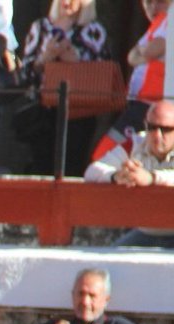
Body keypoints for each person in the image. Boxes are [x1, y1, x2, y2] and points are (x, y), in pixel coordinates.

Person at [14, 0, 109, 176]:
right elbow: (24, 74)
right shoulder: (41, 27)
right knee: (40, 166)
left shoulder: (94, 30)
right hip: (44, 110)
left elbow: (103, 74)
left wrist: (75, 62)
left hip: (79, 111)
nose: (67, 2)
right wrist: (45, 58)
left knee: (72, 166)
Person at [1, 268, 159, 324]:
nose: (85, 302)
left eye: (92, 296)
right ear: (72, 296)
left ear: (106, 300)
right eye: (80, 294)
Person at [83, 99, 174, 248]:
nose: (157, 135)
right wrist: (117, 176)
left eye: (165, 129)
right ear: (145, 125)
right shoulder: (135, 143)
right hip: (146, 232)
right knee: (108, 260)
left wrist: (151, 178)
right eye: (152, 127)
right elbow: (92, 171)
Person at [89, 0, 167, 164]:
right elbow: (131, 57)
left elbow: (152, 49)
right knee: (130, 156)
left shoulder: (170, 23)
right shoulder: (156, 25)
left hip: (151, 106)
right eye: (147, 3)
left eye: (159, 2)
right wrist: (144, 52)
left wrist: (144, 52)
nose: (152, 7)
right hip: (138, 104)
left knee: (104, 155)